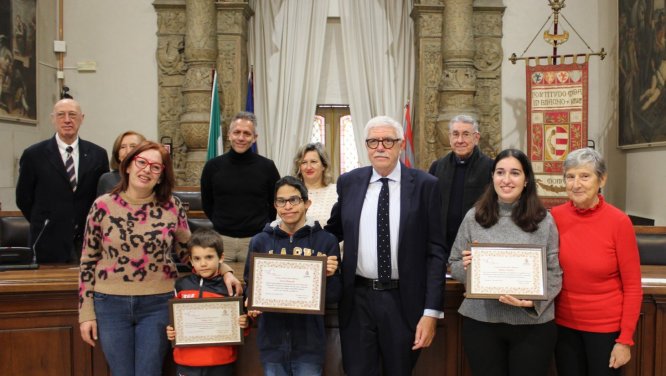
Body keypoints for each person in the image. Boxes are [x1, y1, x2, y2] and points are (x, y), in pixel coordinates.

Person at [78, 141, 241, 376]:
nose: (147, 170)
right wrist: (86, 313)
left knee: (149, 372)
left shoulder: (171, 206)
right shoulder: (102, 206)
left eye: (156, 167)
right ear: (127, 166)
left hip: (157, 303)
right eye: (141, 162)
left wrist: (224, 270)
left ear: (161, 175)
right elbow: (88, 261)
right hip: (110, 303)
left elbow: (189, 251)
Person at [325, 116, 447, 376]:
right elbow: (332, 232)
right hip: (357, 300)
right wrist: (290, 238)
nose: (380, 147)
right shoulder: (349, 183)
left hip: (403, 301)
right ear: (366, 146)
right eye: (373, 141)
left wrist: (431, 312)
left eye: (388, 141)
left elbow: (436, 252)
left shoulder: (426, 186)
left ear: (400, 145)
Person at [448, 148, 562, 376]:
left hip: (532, 325)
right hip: (482, 322)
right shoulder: (474, 216)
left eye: (515, 173)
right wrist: (468, 267)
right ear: (492, 177)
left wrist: (531, 303)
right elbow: (455, 264)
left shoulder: (544, 219)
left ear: (526, 179)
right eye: (500, 172)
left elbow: (554, 273)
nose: (506, 180)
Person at [551, 148, 643, 375]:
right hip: (563, 327)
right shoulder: (554, 217)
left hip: (606, 330)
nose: (576, 184)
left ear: (602, 179)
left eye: (585, 176)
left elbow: (632, 286)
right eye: (570, 177)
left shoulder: (619, 222)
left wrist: (625, 340)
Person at [244, 176, 341, 376]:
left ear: (307, 203)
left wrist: (329, 276)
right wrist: (251, 301)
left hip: (309, 344)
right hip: (271, 341)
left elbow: (334, 297)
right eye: (281, 201)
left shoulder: (326, 242)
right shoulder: (260, 242)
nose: (288, 206)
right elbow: (250, 285)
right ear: (275, 206)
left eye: (294, 200)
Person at [16, 98, 109, 263]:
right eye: (61, 115)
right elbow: (24, 198)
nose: (67, 120)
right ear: (53, 118)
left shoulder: (98, 154)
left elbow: (102, 197)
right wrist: (48, 221)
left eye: (72, 115)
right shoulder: (34, 155)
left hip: (87, 241)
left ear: (82, 118)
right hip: (47, 241)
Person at [166, 228, 250, 376]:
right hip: (187, 363)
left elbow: (244, 327)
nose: (203, 263)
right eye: (197, 259)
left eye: (209, 257)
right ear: (190, 260)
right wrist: (171, 331)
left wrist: (245, 323)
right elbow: (173, 322)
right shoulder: (181, 286)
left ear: (221, 258)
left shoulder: (230, 288)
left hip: (221, 362)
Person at [201, 111, 281, 263]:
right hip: (221, 241)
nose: (241, 138)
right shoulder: (212, 167)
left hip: (257, 240)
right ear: (229, 135)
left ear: (254, 138)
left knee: (254, 286)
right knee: (221, 286)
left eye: (247, 133)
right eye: (237, 132)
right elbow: (207, 204)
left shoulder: (267, 167)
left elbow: (275, 204)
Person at [428, 114, 493, 253]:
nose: (460, 140)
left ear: (476, 138)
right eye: (455, 134)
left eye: (466, 134)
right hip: (442, 244)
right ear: (449, 137)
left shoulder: (490, 168)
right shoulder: (437, 167)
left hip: (477, 243)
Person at [292, 142, 337, 225]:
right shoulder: (291, 192)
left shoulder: (337, 191)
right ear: (299, 167)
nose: (308, 167)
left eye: (313, 161)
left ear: (324, 165)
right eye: (304, 162)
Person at [96, 130, 146, 196]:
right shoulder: (107, 179)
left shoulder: (150, 176)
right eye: (123, 147)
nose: (128, 151)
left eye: (133, 146)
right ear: (118, 155)